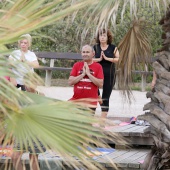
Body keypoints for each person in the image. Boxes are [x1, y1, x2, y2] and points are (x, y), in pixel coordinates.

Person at [9, 34, 43, 170]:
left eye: (25, 42)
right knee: (15, 156)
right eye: (21, 42)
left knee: (33, 156)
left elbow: (36, 65)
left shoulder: (31, 54)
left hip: (28, 83)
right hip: (17, 85)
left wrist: (24, 62)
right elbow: (10, 64)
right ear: (19, 43)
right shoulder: (14, 53)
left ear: (28, 44)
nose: (23, 44)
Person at [68, 45, 104, 111]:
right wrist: (82, 74)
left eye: (87, 52)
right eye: (83, 52)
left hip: (90, 103)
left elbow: (100, 84)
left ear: (93, 54)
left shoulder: (98, 67)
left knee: (85, 121)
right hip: (76, 100)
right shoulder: (77, 65)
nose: (85, 54)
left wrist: (89, 74)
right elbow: (70, 82)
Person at [93, 29, 119, 118]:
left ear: (108, 37)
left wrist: (107, 58)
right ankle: (100, 103)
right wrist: (99, 60)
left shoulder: (113, 47)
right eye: (100, 35)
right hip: (96, 75)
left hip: (110, 75)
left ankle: (102, 121)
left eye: (104, 35)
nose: (102, 37)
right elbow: (89, 59)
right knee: (95, 95)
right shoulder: (95, 47)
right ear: (98, 37)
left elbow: (118, 59)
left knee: (106, 97)